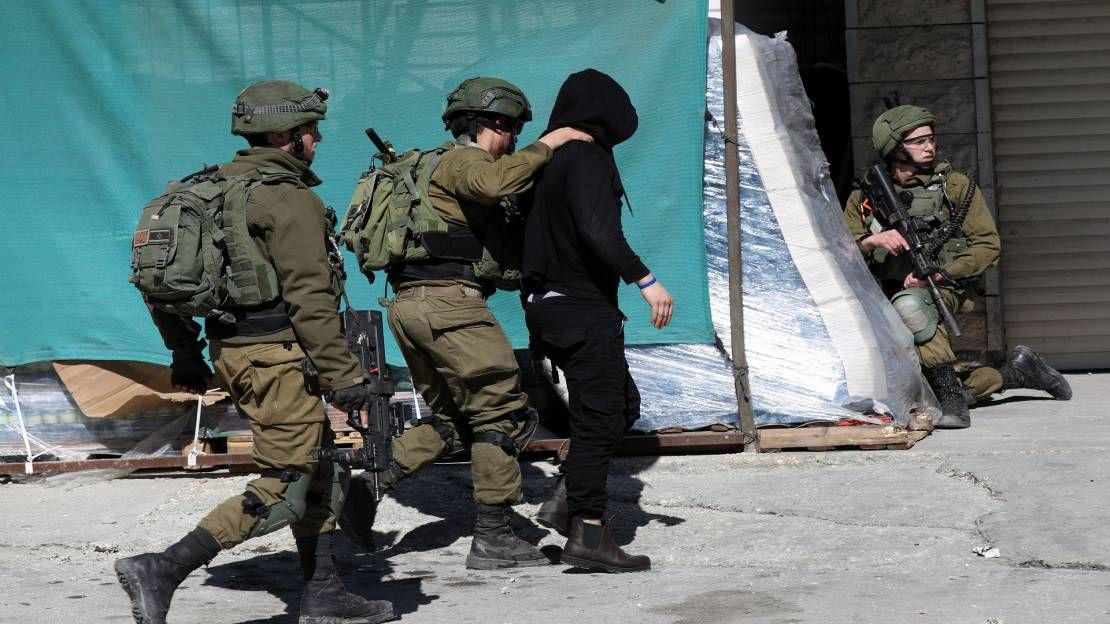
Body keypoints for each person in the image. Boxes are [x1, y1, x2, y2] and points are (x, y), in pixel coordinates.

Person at [115, 80, 395, 624]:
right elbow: (310, 297)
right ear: (284, 134)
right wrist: (344, 375)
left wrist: (186, 354)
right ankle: (163, 568)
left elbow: (159, 285)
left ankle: (324, 593)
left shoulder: (208, 191)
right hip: (279, 356)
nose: (317, 139)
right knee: (287, 483)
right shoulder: (286, 197)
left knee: (320, 468)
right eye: (310, 129)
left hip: (240, 352)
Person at [339, 77, 593, 570]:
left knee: (456, 422)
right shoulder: (464, 161)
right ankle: (494, 537)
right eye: (513, 131)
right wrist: (553, 141)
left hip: (411, 305)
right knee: (503, 414)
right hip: (450, 305)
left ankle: (366, 488)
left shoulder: (426, 165)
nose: (515, 142)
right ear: (494, 122)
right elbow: (494, 183)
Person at [521, 68, 672, 573]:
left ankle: (567, 497)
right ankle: (587, 531)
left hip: (550, 306)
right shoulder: (584, 158)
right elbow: (597, 230)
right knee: (601, 416)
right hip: (578, 309)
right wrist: (646, 280)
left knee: (621, 405)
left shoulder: (544, 161)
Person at [844, 104, 1072, 428]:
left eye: (931, 139)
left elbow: (988, 245)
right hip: (882, 297)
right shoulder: (865, 196)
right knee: (913, 393)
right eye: (919, 141)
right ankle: (1016, 372)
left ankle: (952, 400)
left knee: (910, 308)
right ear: (895, 148)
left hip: (945, 288)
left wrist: (941, 273)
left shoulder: (953, 186)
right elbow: (840, 251)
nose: (930, 147)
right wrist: (872, 241)